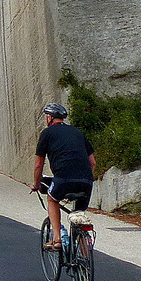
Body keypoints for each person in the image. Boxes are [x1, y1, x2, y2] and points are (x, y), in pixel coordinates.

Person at [31, 102, 95, 249]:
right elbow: (92, 162)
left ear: (50, 118)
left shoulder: (47, 134)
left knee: (52, 199)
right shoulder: (77, 132)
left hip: (63, 178)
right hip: (86, 181)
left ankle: (57, 238)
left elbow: (38, 164)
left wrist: (36, 184)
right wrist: (87, 179)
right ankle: (84, 260)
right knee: (79, 216)